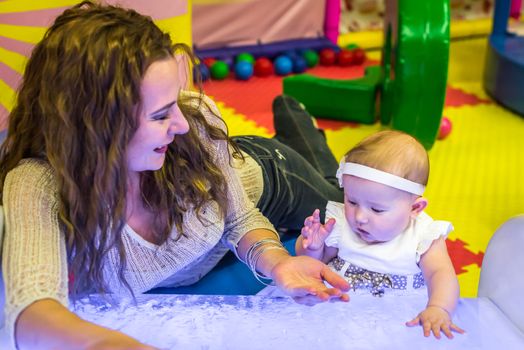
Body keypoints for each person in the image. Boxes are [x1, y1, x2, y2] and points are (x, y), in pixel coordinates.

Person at [0, 2, 350, 349]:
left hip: (270, 176)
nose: (181, 124)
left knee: (346, 205)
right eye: (160, 115)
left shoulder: (193, 123)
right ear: (96, 127)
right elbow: (32, 307)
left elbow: (238, 218)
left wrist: (279, 264)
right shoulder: (37, 185)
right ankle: (299, 133)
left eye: (176, 105)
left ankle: (300, 128)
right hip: (218, 204)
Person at [296, 130, 466, 339]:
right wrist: (313, 247)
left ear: (415, 208)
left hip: (399, 320)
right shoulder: (340, 223)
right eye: (352, 201)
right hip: (335, 316)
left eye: (376, 210)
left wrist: (439, 308)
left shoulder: (423, 236)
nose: (360, 217)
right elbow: (316, 264)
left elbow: (441, 274)